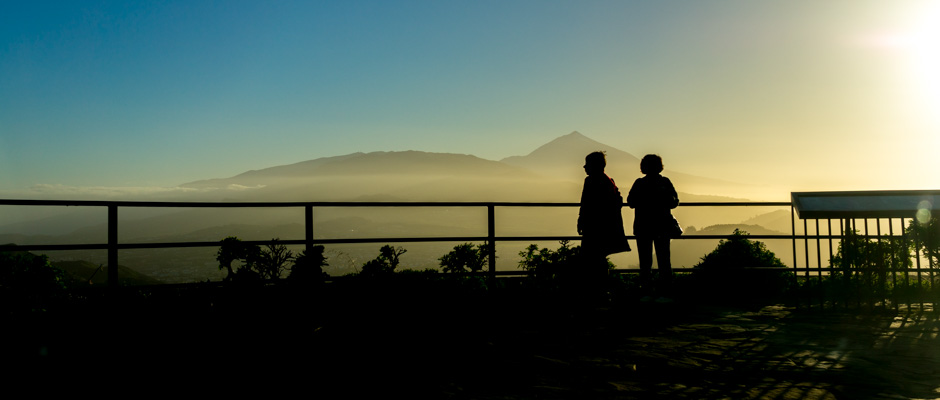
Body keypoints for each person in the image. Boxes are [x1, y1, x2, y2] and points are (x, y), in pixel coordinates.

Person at [577, 151, 630, 291]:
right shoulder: (608, 181)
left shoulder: (591, 181)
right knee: (598, 259)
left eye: (587, 164)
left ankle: (596, 291)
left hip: (594, 227)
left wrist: (581, 220)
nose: (584, 167)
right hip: (604, 227)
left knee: (592, 259)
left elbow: (586, 204)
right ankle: (601, 290)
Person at [627, 154, 679, 285]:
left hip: (643, 227)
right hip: (662, 226)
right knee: (664, 261)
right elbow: (674, 202)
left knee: (645, 262)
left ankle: (646, 290)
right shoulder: (665, 182)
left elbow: (631, 202)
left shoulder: (639, 183)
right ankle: (665, 291)